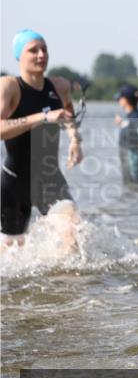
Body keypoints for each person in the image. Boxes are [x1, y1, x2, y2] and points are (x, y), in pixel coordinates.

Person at [0, 30, 83, 248]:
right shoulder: (9, 87)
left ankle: (66, 282)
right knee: (11, 252)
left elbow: (67, 112)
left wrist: (75, 138)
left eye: (44, 49)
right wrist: (43, 117)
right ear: (19, 56)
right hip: (15, 183)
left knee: (72, 230)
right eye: (33, 50)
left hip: (50, 179)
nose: (41, 55)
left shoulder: (59, 86)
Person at [114, 83, 138, 184]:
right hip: (130, 157)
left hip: (134, 157)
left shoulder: (136, 116)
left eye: (120, 98)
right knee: (130, 186)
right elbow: (132, 127)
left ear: (126, 100)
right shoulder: (130, 116)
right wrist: (121, 123)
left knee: (133, 187)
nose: (118, 100)